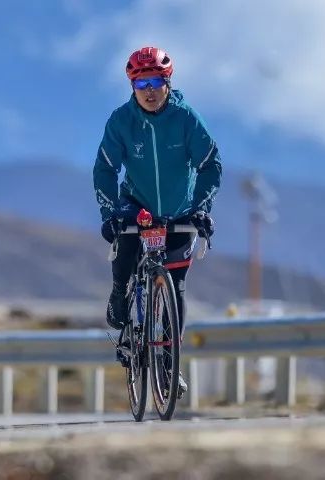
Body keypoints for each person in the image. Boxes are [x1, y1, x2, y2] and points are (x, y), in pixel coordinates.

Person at [94, 46, 220, 396]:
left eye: (156, 81)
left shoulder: (186, 118)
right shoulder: (121, 121)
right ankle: (119, 294)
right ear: (132, 86)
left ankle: (169, 363)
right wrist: (110, 214)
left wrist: (201, 207)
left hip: (181, 212)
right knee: (127, 249)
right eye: (140, 83)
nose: (148, 90)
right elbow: (105, 169)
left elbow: (211, 165)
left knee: (175, 285)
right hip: (138, 207)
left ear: (168, 81)